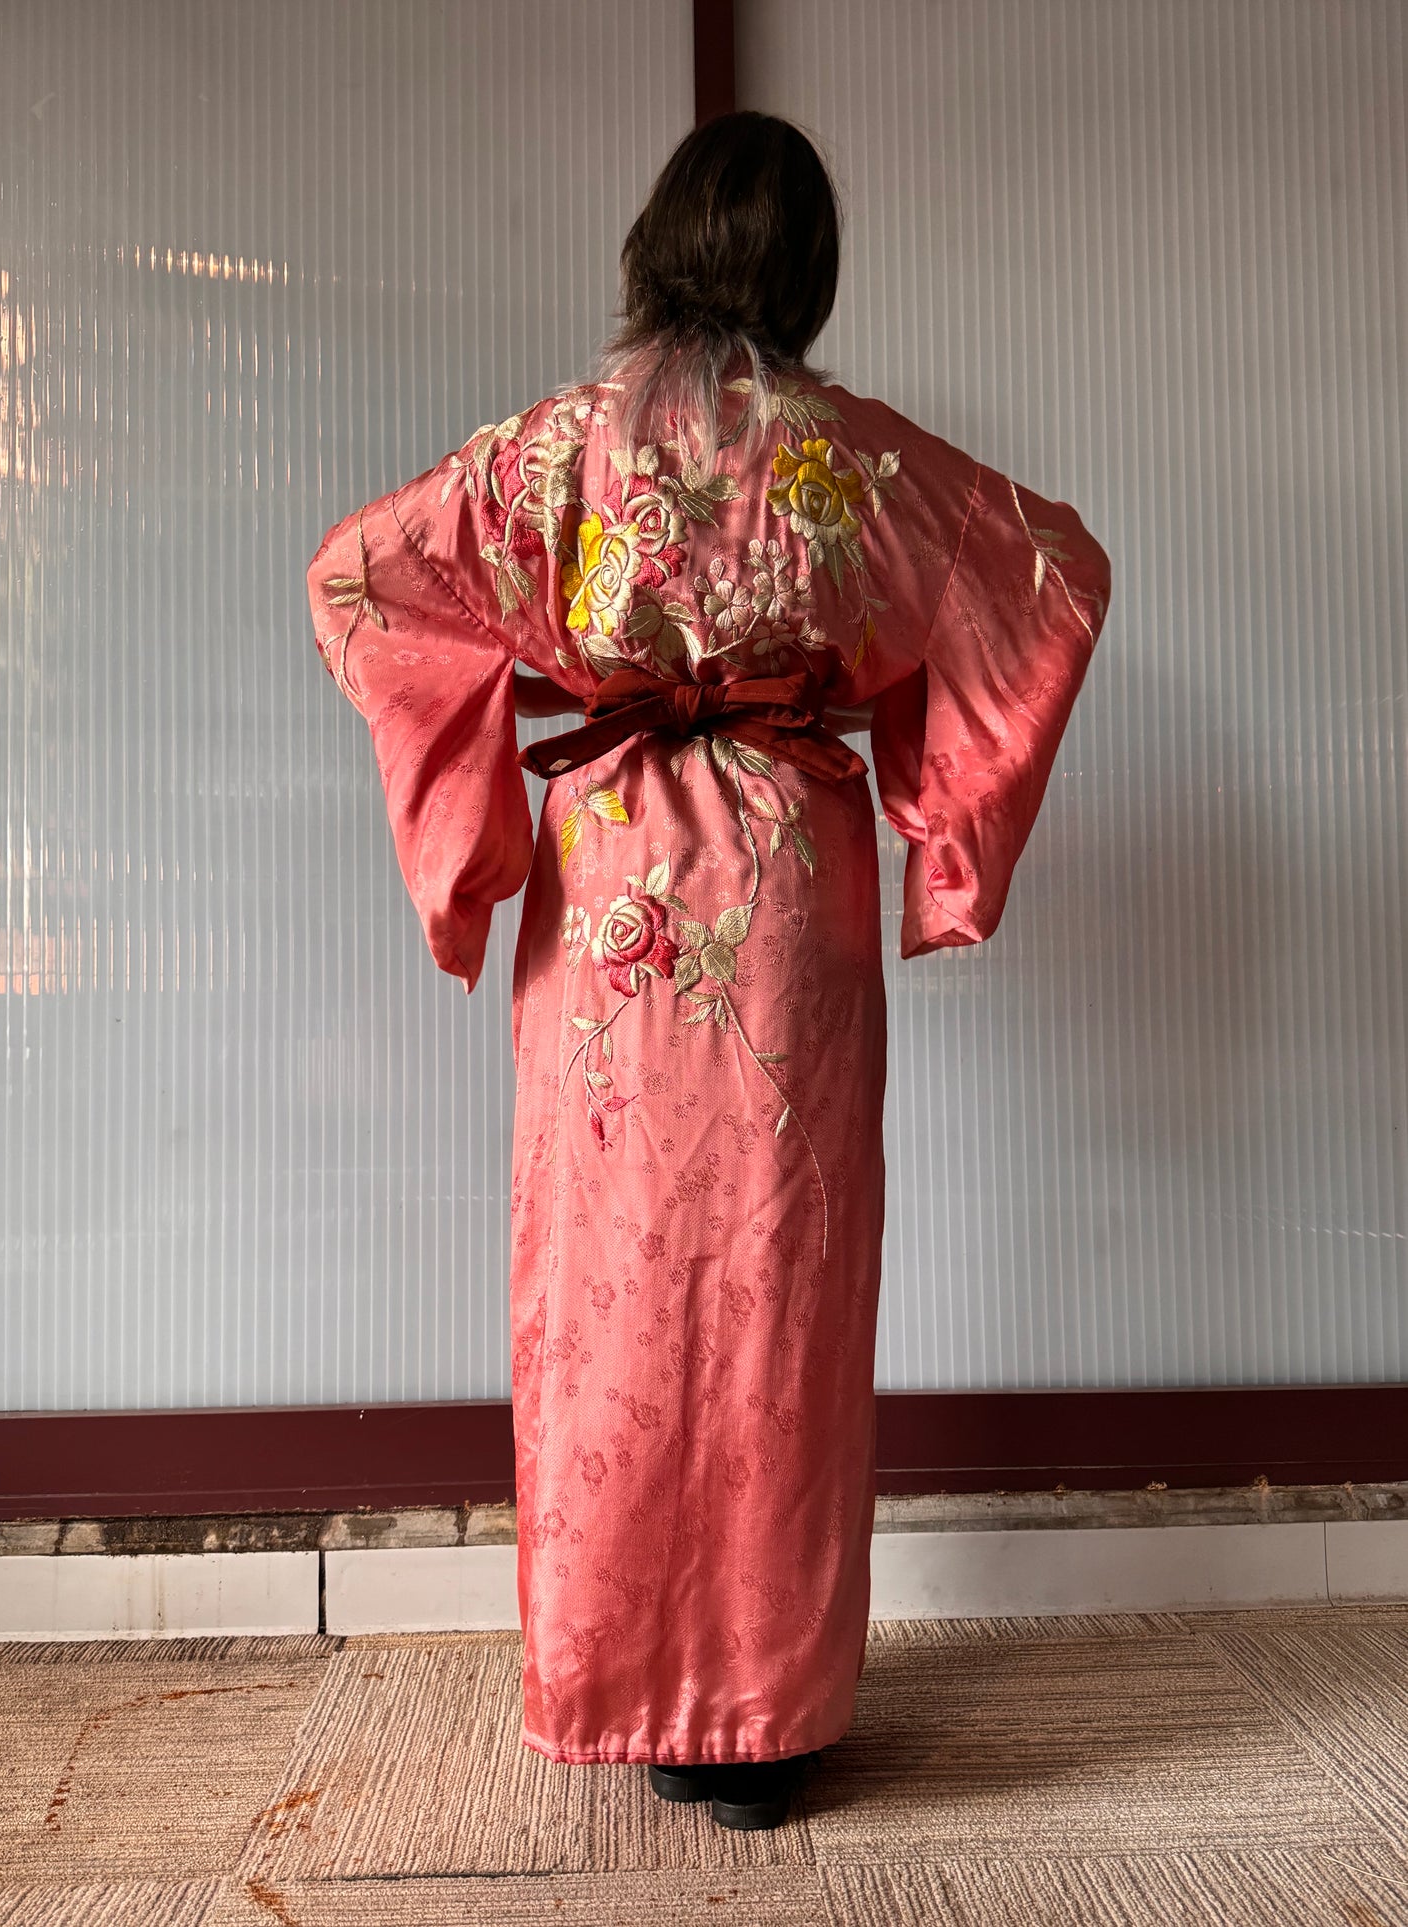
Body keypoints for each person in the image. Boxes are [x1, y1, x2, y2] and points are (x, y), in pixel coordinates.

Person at [306, 110, 1111, 1832]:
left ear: (653, 245)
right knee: (776, 1287)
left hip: (606, 904)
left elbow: (365, 577)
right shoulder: (851, 460)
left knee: (605, 1289)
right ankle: (765, 1712)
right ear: (805, 269)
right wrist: (930, 802)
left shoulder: (555, 450)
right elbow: (1044, 580)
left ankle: (620, 1682)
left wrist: (481, 832)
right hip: (783, 890)